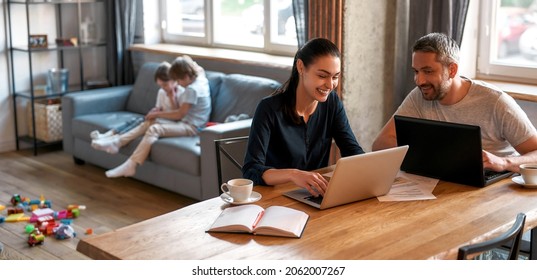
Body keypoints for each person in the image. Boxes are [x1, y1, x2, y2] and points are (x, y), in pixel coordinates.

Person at [372, 32, 537, 173]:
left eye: (428, 71)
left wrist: (503, 162)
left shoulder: (496, 102)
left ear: (452, 70)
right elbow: (380, 144)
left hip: (492, 192)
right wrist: (434, 156)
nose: (419, 80)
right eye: (416, 71)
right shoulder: (419, 95)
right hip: (443, 185)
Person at [242, 38, 365, 196]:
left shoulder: (332, 103)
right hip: (274, 198)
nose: (330, 85)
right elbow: (251, 170)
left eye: (335, 77)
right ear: (301, 67)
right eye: (322, 76)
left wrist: (371, 170)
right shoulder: (268, 109)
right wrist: (294, 174)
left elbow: (352, 151)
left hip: (314, 195)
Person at [92, 56, 211, 178]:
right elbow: (195, 66)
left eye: (179, 81)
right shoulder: (200, 77)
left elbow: (180, 114)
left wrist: (157, 113)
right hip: (188, 123)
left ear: (185, 77)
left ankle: (131, 164)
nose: (179, 84)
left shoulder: (192, 90)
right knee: (150, 121)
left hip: (192, 127)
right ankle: (117, 142)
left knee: (155, 129)